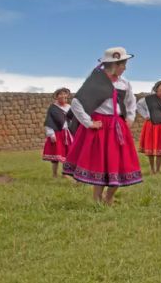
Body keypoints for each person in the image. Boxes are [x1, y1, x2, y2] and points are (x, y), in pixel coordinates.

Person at [63, 47, 142, 205]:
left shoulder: (124, 83)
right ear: (114, 65)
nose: (125, 68)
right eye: (122, 65)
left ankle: (109, 196)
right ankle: (97, 199)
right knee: (100, 163)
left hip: (117, 126)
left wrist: (130, 117)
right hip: (100, 126)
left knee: (120, 162)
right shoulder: (96, 81)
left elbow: (131, 102)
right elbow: (77, 103)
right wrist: (88, 122)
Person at [42, 88, 74, 177]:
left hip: (68, 133)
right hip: (57, 133)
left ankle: (65, 173)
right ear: (57, 96)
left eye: (65, 94)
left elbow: (73, 119)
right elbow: (49, 121)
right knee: (56, 155)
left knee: (67, 154)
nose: (63, 96)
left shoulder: (69, 107)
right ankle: (54, 174)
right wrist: (51, 134)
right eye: (60, 94)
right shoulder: (53, 108)